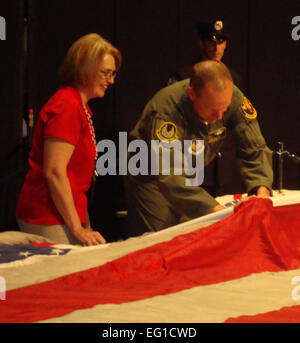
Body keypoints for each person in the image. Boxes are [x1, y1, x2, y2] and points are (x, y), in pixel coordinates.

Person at [124, 61, 273, 237]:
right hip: (149, 173)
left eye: (224, 110)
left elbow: (254, 149)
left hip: (188, 172)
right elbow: (170, 175)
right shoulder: (166, 109)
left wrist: (261, 192)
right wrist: (219, 212)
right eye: (213, 110)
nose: (219, 117)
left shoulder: (233, 99)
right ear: (192, 93)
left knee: (192, 235)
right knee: (159, 238)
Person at [16, 33, 121, 246]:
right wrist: (77, 229)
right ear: (85, 69)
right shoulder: (67, 107)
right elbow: (54, 171)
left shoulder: (80, 107)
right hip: (47, 215)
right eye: (105, 73)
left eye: (113, 74)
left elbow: (75, 179)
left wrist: (84, 224)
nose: (111, 80)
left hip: (61, 214)